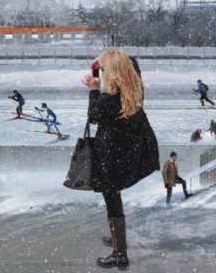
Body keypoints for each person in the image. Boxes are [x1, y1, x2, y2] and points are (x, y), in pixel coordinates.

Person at [82, 49, 159, 270]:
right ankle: (117, 239)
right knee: (115, 198)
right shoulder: (136, 89)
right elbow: (132, 64)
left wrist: (94, 90)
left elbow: (93, 117)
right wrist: (106, 61)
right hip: (129, 154)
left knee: (112, 202)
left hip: (110, 157)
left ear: (111, 72)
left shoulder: (108, 99)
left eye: (105, 69)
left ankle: (119, 254)